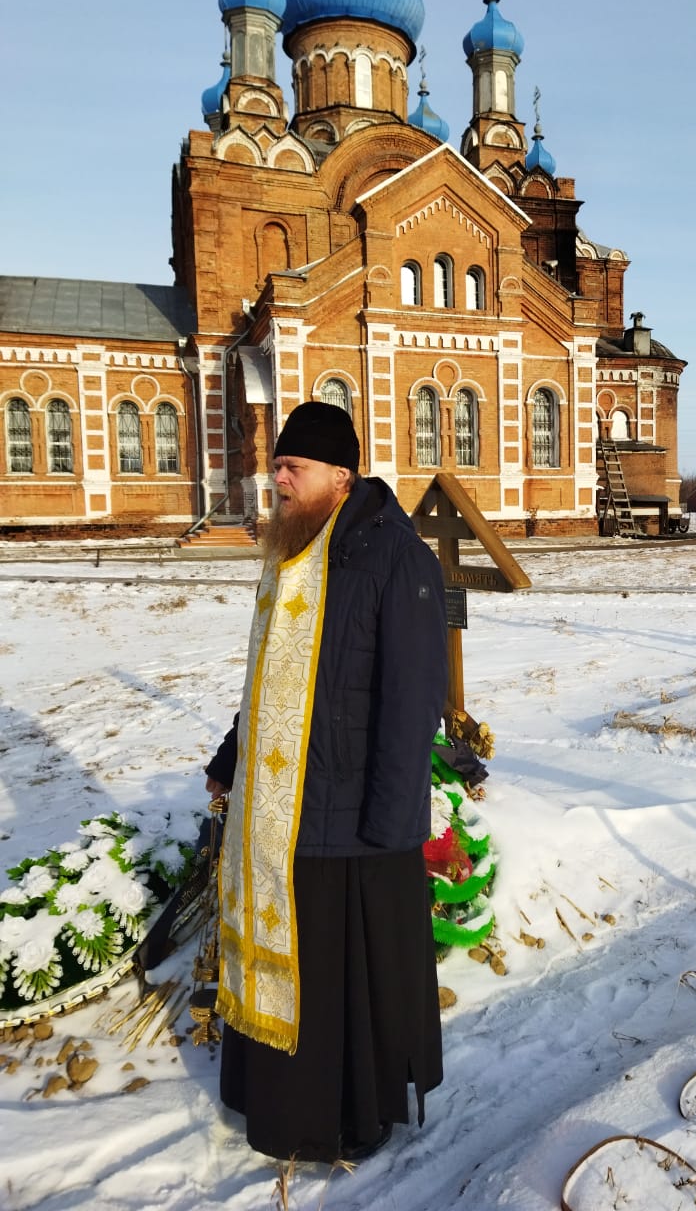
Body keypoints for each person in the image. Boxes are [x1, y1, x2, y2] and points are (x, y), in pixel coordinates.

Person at [204, 400, 448, 1164]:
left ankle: (341, 1124)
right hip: (282, 815)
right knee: (294, 979)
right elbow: (267, 683)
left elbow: (412, 702)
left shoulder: (395, 558)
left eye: (293, 466)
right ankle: (272, 1111)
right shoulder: (292, 553)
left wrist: (388, 823)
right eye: (277, 464)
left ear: (340, 476)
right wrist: (230, 758)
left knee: (336, 990)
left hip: (352, 826)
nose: (277, 477)